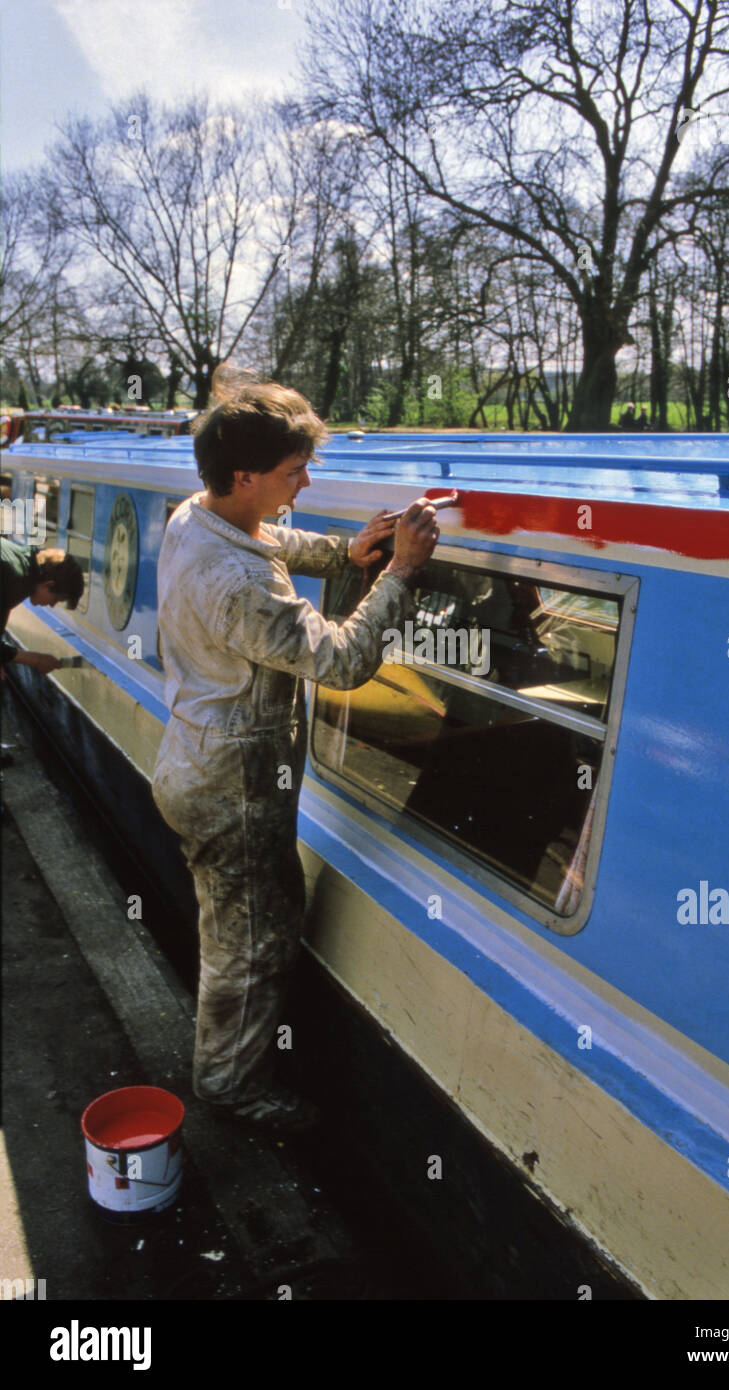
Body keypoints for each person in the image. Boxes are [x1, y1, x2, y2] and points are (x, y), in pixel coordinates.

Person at [151, 372, 439, 1135]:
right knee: (252, 946)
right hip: (232, 787)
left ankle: (228, 1060)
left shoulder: (199, 515)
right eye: (292, 473)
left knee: (237, 926)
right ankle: (229, 1087)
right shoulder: (237, 583)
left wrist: (347, 554)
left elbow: (269, 538)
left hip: (194, 758)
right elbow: (341, 662)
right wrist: (400, 572)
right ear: (245, 476)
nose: (306, 481)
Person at [0, 541, 83, 677]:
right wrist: (36, 659)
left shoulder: (21, 561)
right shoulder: (13, 579)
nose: (51, 605)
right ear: (48, 585)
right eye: (55, 599)